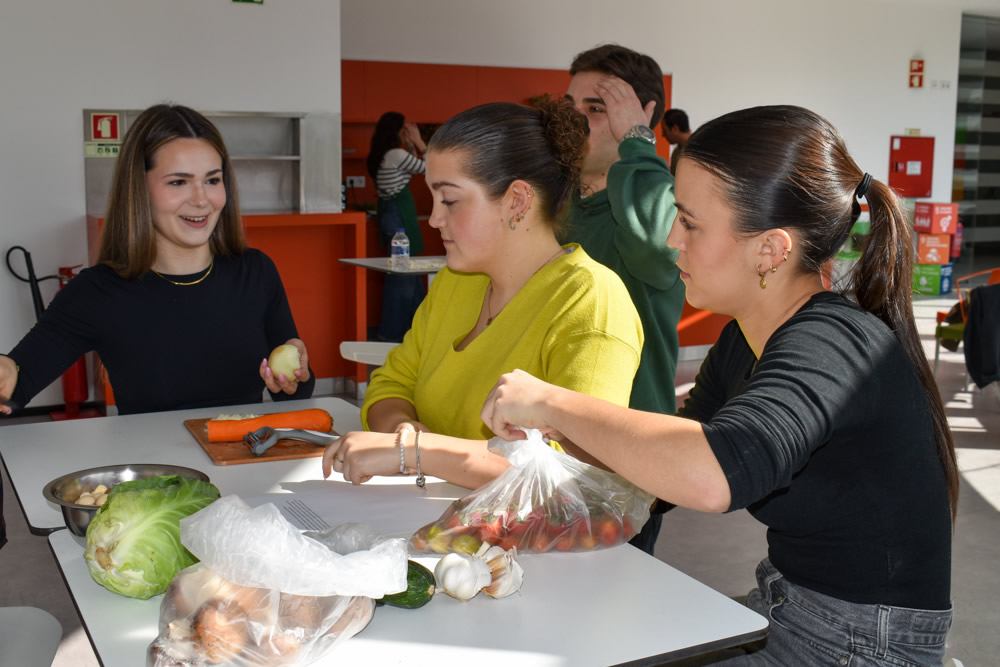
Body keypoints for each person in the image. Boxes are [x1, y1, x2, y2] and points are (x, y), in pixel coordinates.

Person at [482, 105, 957, 665]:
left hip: (863, 644)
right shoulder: (745, 339)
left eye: (689, 223)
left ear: (770, 250)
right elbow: (663, 468)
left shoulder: (833, 342)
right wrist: (548, 447)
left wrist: (552, 403)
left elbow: (713, 475)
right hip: (787, 604)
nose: (670, 239)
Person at [323, 99, 643, 490]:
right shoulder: (456, 280)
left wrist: (418, 451)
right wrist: (403, 433)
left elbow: (572, 474)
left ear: (517, 200)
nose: (435, 219)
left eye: (450, 201)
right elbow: (391, 383)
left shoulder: (591, 302)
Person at [0, 104, 314, 416]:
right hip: (151, 453)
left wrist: (296, 377)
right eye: (178, 182)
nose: (201, 199)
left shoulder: (255, 271)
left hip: (246, 448)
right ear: (140, 190)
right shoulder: (97, 292)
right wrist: (7, 372)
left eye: (212, 180)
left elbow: (296, 392)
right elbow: (16, 383)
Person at [564, 43, 686, 554]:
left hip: (624, 462)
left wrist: (637, 140)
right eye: (571, 107)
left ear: (645, 115)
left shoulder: (661, 207)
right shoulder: (555, 204)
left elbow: (658, 248)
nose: (577, 123)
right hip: (546, 449)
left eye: (597, 108)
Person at [367, 112, 428, 342]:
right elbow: (431, 168)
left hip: (390, 216)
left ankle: (415, 334)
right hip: (398, 218)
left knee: (409, 276)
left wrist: (411, 145)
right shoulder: (395, 154)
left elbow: (410, 167)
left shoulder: (386, 154)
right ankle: (392, 336)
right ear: (398, 131)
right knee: (403, 279)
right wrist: (419, 142)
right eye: (405, 129)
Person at [661, 108, 692, 175]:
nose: (663, 134)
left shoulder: (698, 150)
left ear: (675, 128)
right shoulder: (676, 153)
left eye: (664, 130)